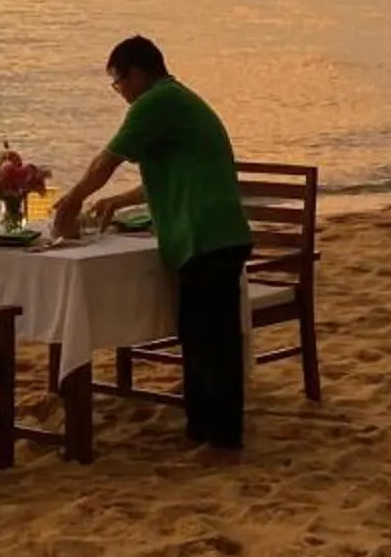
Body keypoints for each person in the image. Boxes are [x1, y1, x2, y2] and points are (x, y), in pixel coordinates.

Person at [52, 36, 251, 450]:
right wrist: (117, 200)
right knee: (197, 334)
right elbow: (175, 169)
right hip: (207, 232)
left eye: (119, 82)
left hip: (208, 234)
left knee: (212, 340)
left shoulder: (156, 102)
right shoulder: (174, 101)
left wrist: (72, 202)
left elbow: (107, 160)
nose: (120, 92)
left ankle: (223, 436)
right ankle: (202, 427)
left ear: (138, 73)